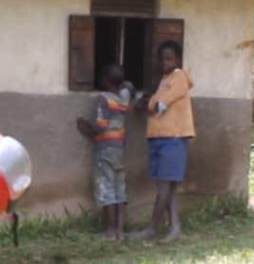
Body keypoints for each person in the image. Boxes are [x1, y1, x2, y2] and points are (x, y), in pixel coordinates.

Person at [138, 41, 195, 243]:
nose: (164, 62)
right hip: (159, 137)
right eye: (162, 59)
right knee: (167, 188)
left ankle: (152, 228)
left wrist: (150, 103)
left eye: (169, 58)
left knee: (164, 188)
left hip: (173, 137)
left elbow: (160, 105)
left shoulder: (178, 76)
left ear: (178, 59)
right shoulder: (164, 79)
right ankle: (175, 227)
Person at [76, 64, 134, 240]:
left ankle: (110, 231)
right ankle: (120, 231)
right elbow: (129, 86)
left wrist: (85, 127)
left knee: (107, 188)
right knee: (120, 189)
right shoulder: (124, 97)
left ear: (104, 80)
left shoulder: (104, 99)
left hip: (105, 149)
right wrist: (124, 83)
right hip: (119, 149)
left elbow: (100, 127)